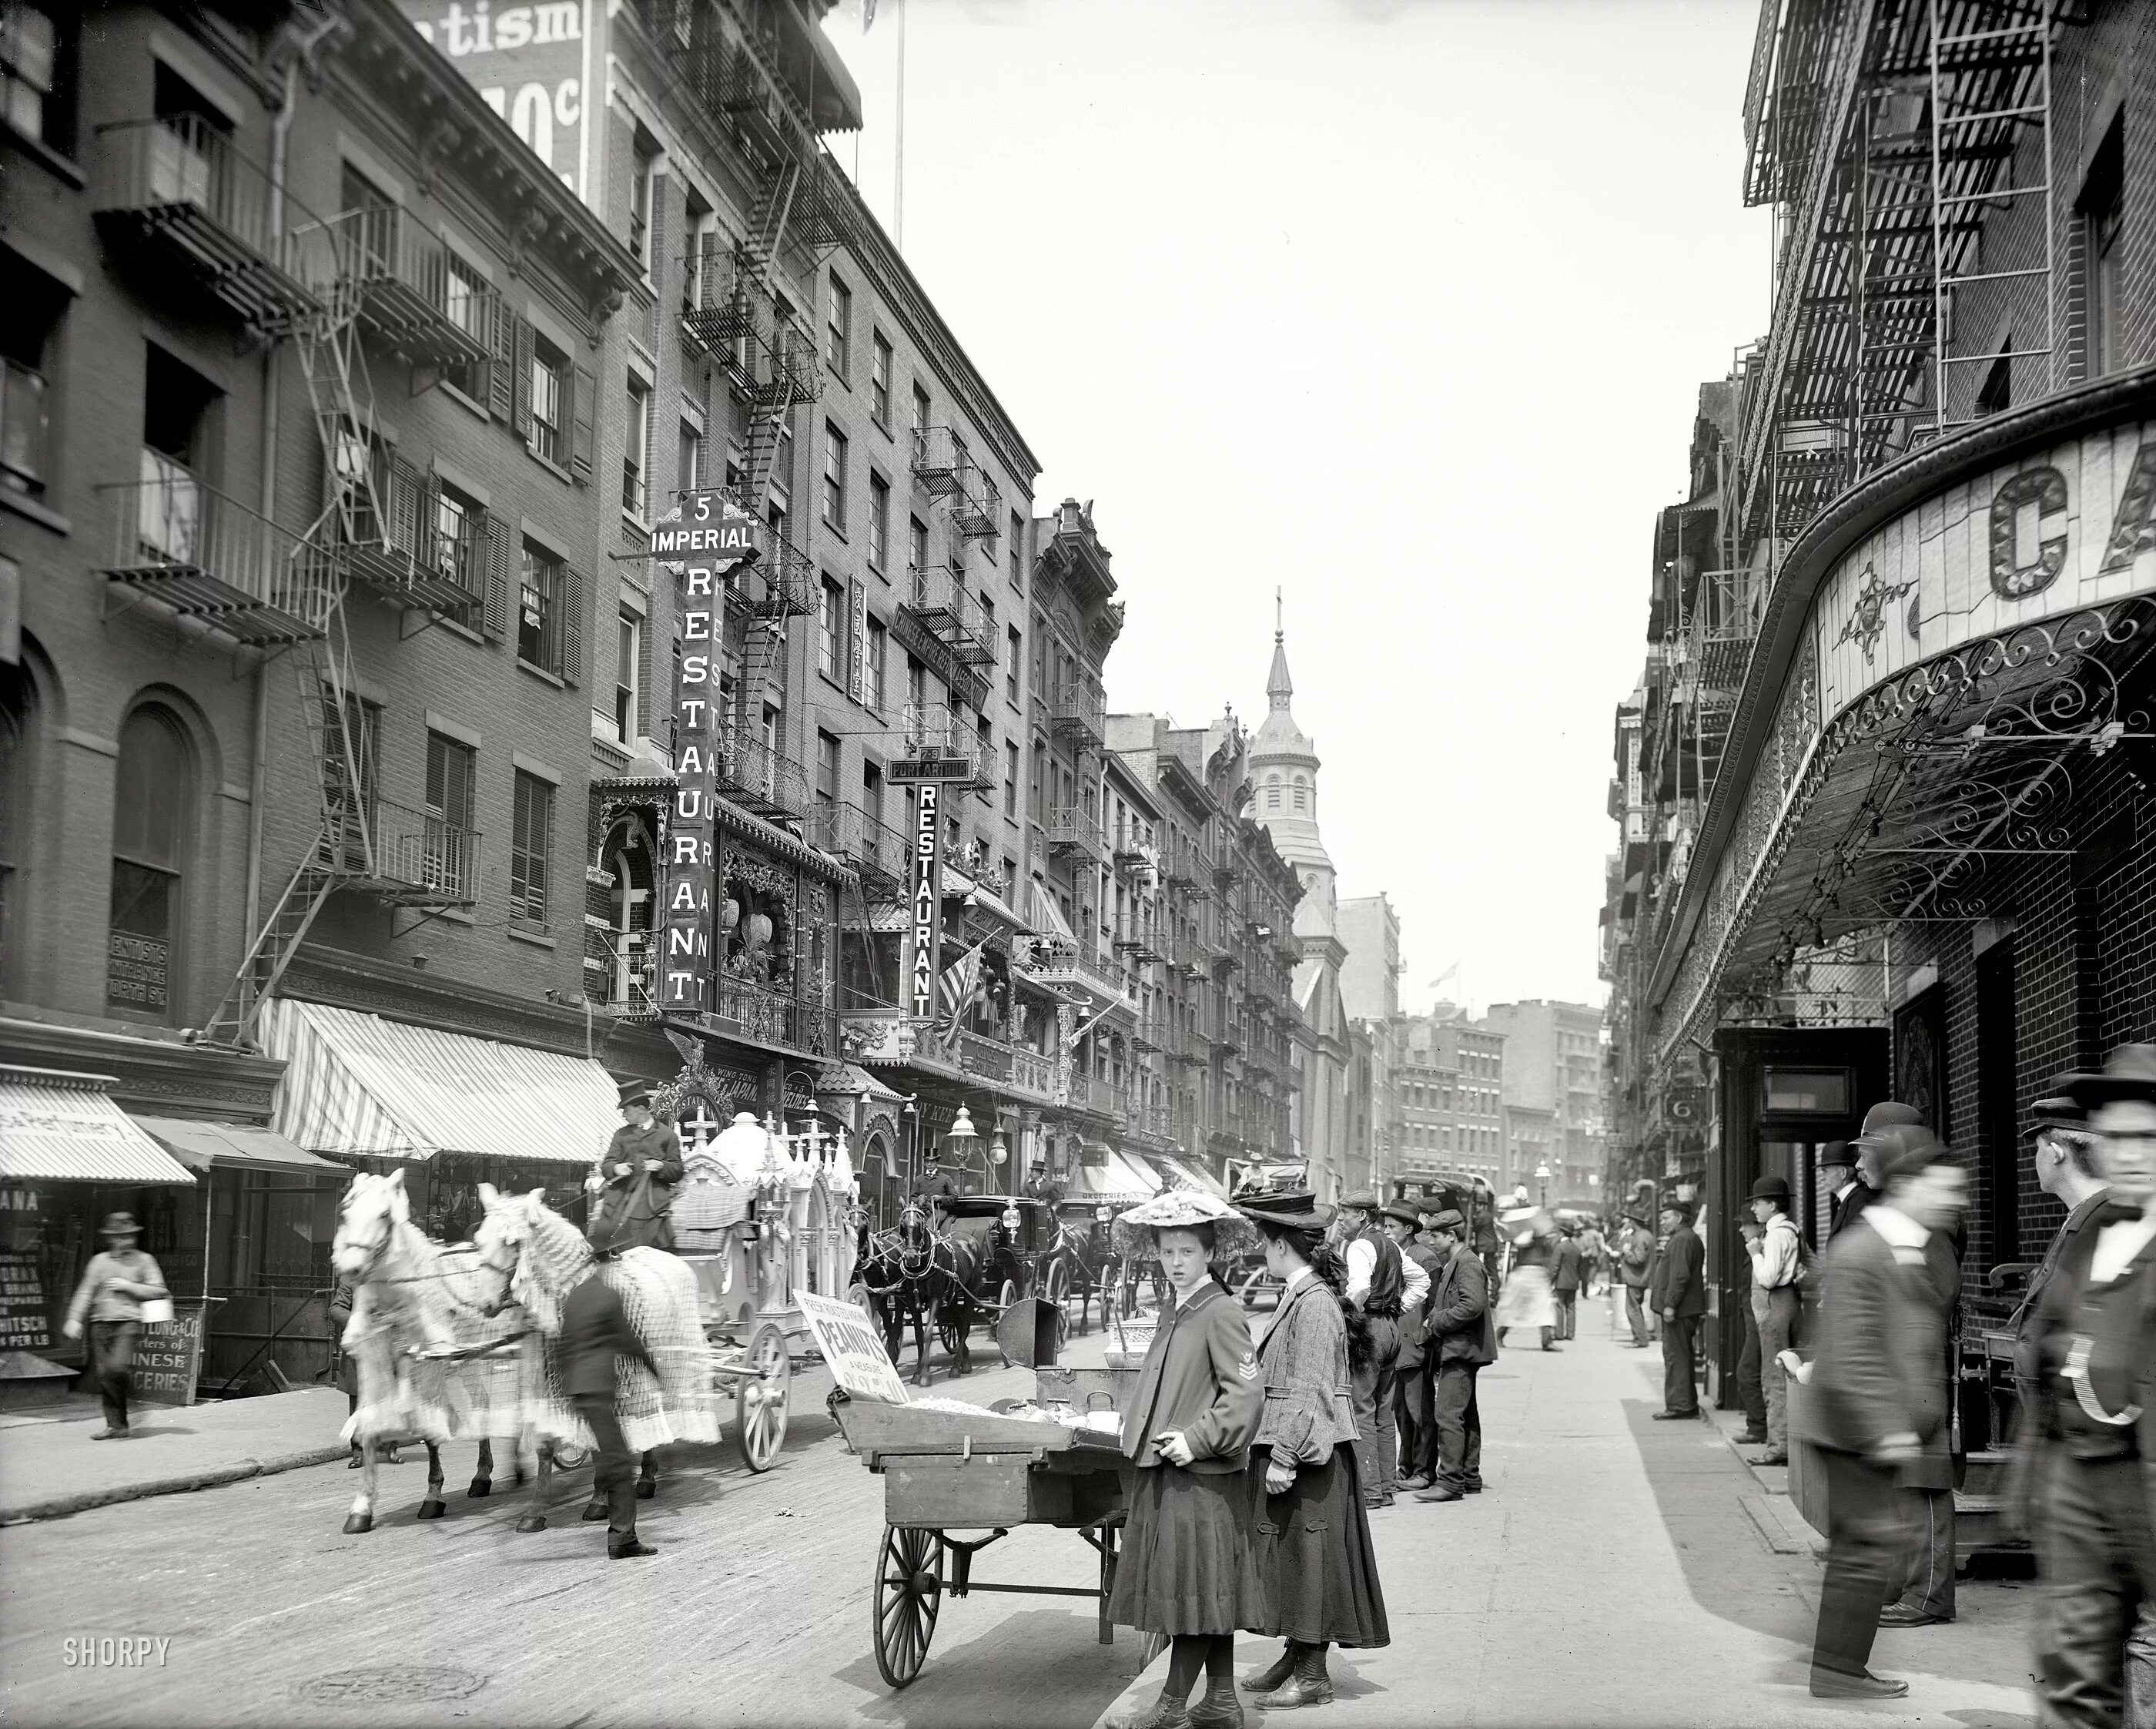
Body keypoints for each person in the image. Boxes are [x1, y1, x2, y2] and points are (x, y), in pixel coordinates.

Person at [1803, 1126, 1966, 1699]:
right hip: (1857, 1428)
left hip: (1874, 1424)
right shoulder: (1866, 1248)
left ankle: (1839, 1666)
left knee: (1864, 1550)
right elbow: (1852, 1350)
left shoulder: (1904, 1242)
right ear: (1910, 1185)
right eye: (1943, 1186)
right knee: (1865, 1551)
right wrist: (1888, 1430)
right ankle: (1837, 1671)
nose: (1955, 1197)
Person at [2024, 1044, 2156, 1727]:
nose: (2132, 1153)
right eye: (2118, 1136)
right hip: (2081, 1486)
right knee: (2073, 1680)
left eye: (2150, 1137)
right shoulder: (2096, 1230)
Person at [1107, 1191, 1265, 1729]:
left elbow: (1245, 1396)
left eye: (1187, 1251)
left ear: (1209, 1252)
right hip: (1170, 1474)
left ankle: (1170, 1708)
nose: (1176, 1262)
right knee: (1206, 1590)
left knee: (1191, 1592)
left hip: (1200, 1479)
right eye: (1167, 1250)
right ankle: (1221, 1701)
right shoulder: (1180, 1306)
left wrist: (1198, 1438)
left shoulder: (1220, 1309)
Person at [1234, 1188, 1388, 1708]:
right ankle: (1295, 1654)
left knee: (1309, 1559)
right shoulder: (1304, 1295)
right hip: (1300, 1447)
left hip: (1306, 1454)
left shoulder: (1315, 1302)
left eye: (1264, 1241)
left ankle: (1314, 1674)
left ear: (1280, 1246)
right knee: (1295, 1560)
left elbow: (1312, 1387)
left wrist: (1284, 1456)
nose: (1261, 1250)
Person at [2006, 1093, 2106, 1538]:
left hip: (2084, 1442)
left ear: (2056, 1151)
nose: (2035, 1160)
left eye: (2036, 1147)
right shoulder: (2080, 1220)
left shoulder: (2098, 1223)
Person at [559, 1216, 661, 1559]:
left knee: (611, 1456)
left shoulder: (576, 1295)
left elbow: (563, 1346)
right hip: (598, 1390)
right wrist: (655, 1373)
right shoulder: (608, 1295)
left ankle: (621, 1533)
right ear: (614, 1256)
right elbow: (629, 1341)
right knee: (619, 1462)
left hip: (578, 1389)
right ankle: (622, 1538)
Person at [60, 1213, 170, 1441]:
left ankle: (120, 1413)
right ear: (111, 1239)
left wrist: (129, 1286)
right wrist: (74, 1318)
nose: (127, 1241)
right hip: (100, 1324)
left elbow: (159, 1291)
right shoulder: (99, 1262)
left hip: (127, 1324)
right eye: (121, 1237)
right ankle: (117, 1425)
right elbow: (85, 1291)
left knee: (116, 1369)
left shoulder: (145, 1260)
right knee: (105, 1374)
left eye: (130, 1236)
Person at [1414, 1209, 1496, 1503]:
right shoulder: (1459, 1261)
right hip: (1461, 1348)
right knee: (1466, 1415)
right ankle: (1469, 1476)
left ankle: (1450, 1481)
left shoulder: (1466, 1263)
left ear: (1451, 1236)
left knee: (1447, 1414)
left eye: (1435, 1235)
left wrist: (1436, 1321)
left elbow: (1471, 1306)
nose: (1431, 1241)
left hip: (1460, 1349)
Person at [1334, 1191, 1406, 1508]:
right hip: (1391, 1328)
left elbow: (1359, 1286)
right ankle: (1387, 1488)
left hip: (1371, 1329)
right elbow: (1419, 1282)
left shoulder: (1360, 1246)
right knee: (1383, 1412)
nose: (1341, 1220)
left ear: (1362, 1216)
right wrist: (1398, 1309)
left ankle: (1370, 1492)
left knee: (1361, 1408)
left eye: (1345, 1214)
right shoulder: (1392, 1245)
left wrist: (1348, 1314)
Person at [1744, 1176, 1803, 1465]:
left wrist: (1755, 1254)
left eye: (1758, 1202)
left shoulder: (1778, 1234)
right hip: (1782, 1304)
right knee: (1780, 1373)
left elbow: (1768, 1278)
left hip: (1776, 1306)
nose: (1754, 1208)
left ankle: (1780, 1447)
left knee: (1775, 1376)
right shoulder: (1783, 1231)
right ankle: (1780, 1442)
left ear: (1772, 1204)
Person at [587, 1083, 684, 1252]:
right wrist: (617, 1168)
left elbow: (677, 1170)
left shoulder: (667, 1135)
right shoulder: (621, 1134)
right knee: (601, 1246)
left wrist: (661, 1166)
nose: (624, 1115)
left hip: (650, 1205)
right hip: (619, 1201)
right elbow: (607, 1165)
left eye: (626, 1110)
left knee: (643, 1252)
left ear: (640, 1109)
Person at [1381, 1203, 1438, 1489]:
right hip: (1397, 1347)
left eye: (1391, 1226)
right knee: (1401, 1413)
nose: (1386, 1230)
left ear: (1408, 1229)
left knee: (1420, 1412)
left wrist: (1424, 1339)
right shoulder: (1393, 1255)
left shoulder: (1425, 1258)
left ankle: (1425, 1471)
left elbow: (1435, 1306)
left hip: (1416, 1347)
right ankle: (1406, 1467)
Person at [1651, 1202, 1704, 1419]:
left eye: (1666, 1218)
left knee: (1676, 1357)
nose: (1662, 1223)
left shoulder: (1682, 1239)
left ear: (1679, 1218)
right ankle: (1684, 1403)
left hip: (1680, 1310)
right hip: (1684, 1309)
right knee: (1680, 1356)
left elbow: (1680, 1276)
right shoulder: (1684, 1238)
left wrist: (1670, 1304)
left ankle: (1680, 1405)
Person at [1495, 1209, 1560, 1352]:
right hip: (1525, 1273)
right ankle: (1500, 1334)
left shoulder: (1541, 1239)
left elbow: (1547, 1257)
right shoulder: (1525, 1235)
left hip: (1537, 1274)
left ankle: (1546, 1341)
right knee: (1514, 1307)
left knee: (1545, 1308)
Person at [1617, 1213, 1654, 1348]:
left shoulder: (1640, 1237)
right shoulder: (1645, 1235)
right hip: (1639, 1278)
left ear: (1634, 1222)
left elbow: (1638, 1259)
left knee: (1633, 1309)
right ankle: (1640, 1336)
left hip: (1636, 1278)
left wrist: (1627, 1252)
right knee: (1635, 1308)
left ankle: (1641, 1339)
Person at [1550, 1221, 1582, 1342]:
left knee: (1559, 1307)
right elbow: (1580, 1268)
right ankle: (1570, 1333)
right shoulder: (1576, 1249)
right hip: (1573, 1283)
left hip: (1561, 1282)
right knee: (1571, 1307)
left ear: (1562, 1233)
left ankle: (1559, 1333)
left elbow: (1555, 1267)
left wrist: (1551, 1281)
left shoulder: (1560, 1247)